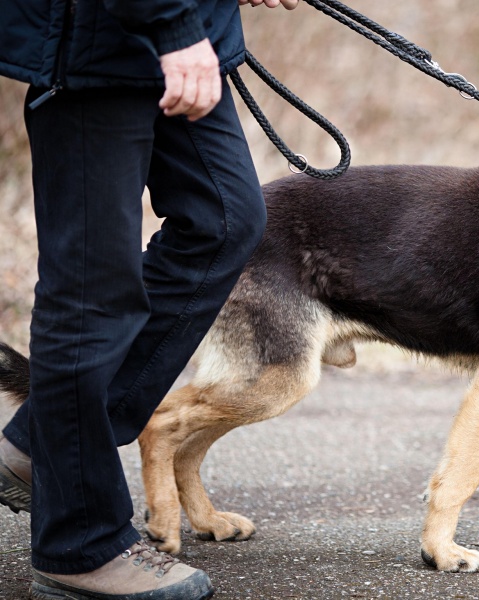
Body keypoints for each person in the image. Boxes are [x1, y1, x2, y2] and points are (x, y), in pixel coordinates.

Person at [0, 0, 298, 597]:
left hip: (174, 34)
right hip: (97, 40)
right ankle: (78, 549)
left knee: (222, 222)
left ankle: (45, 444)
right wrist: (175, 26)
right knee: (92, 290)